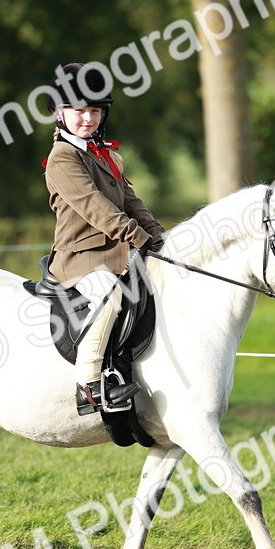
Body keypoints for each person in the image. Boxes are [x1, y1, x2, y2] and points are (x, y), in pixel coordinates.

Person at [43, 63, 165, 415]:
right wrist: (139, 238)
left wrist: (159, 236)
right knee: (111, 295)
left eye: (94, 111)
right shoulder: (62, 159)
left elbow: (131, 202)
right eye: (79, 111)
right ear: (60, 112)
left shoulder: (105, 154)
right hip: (80, 258)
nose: (87, 119)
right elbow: (98, 210)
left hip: (117, 252)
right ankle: (89, 386)